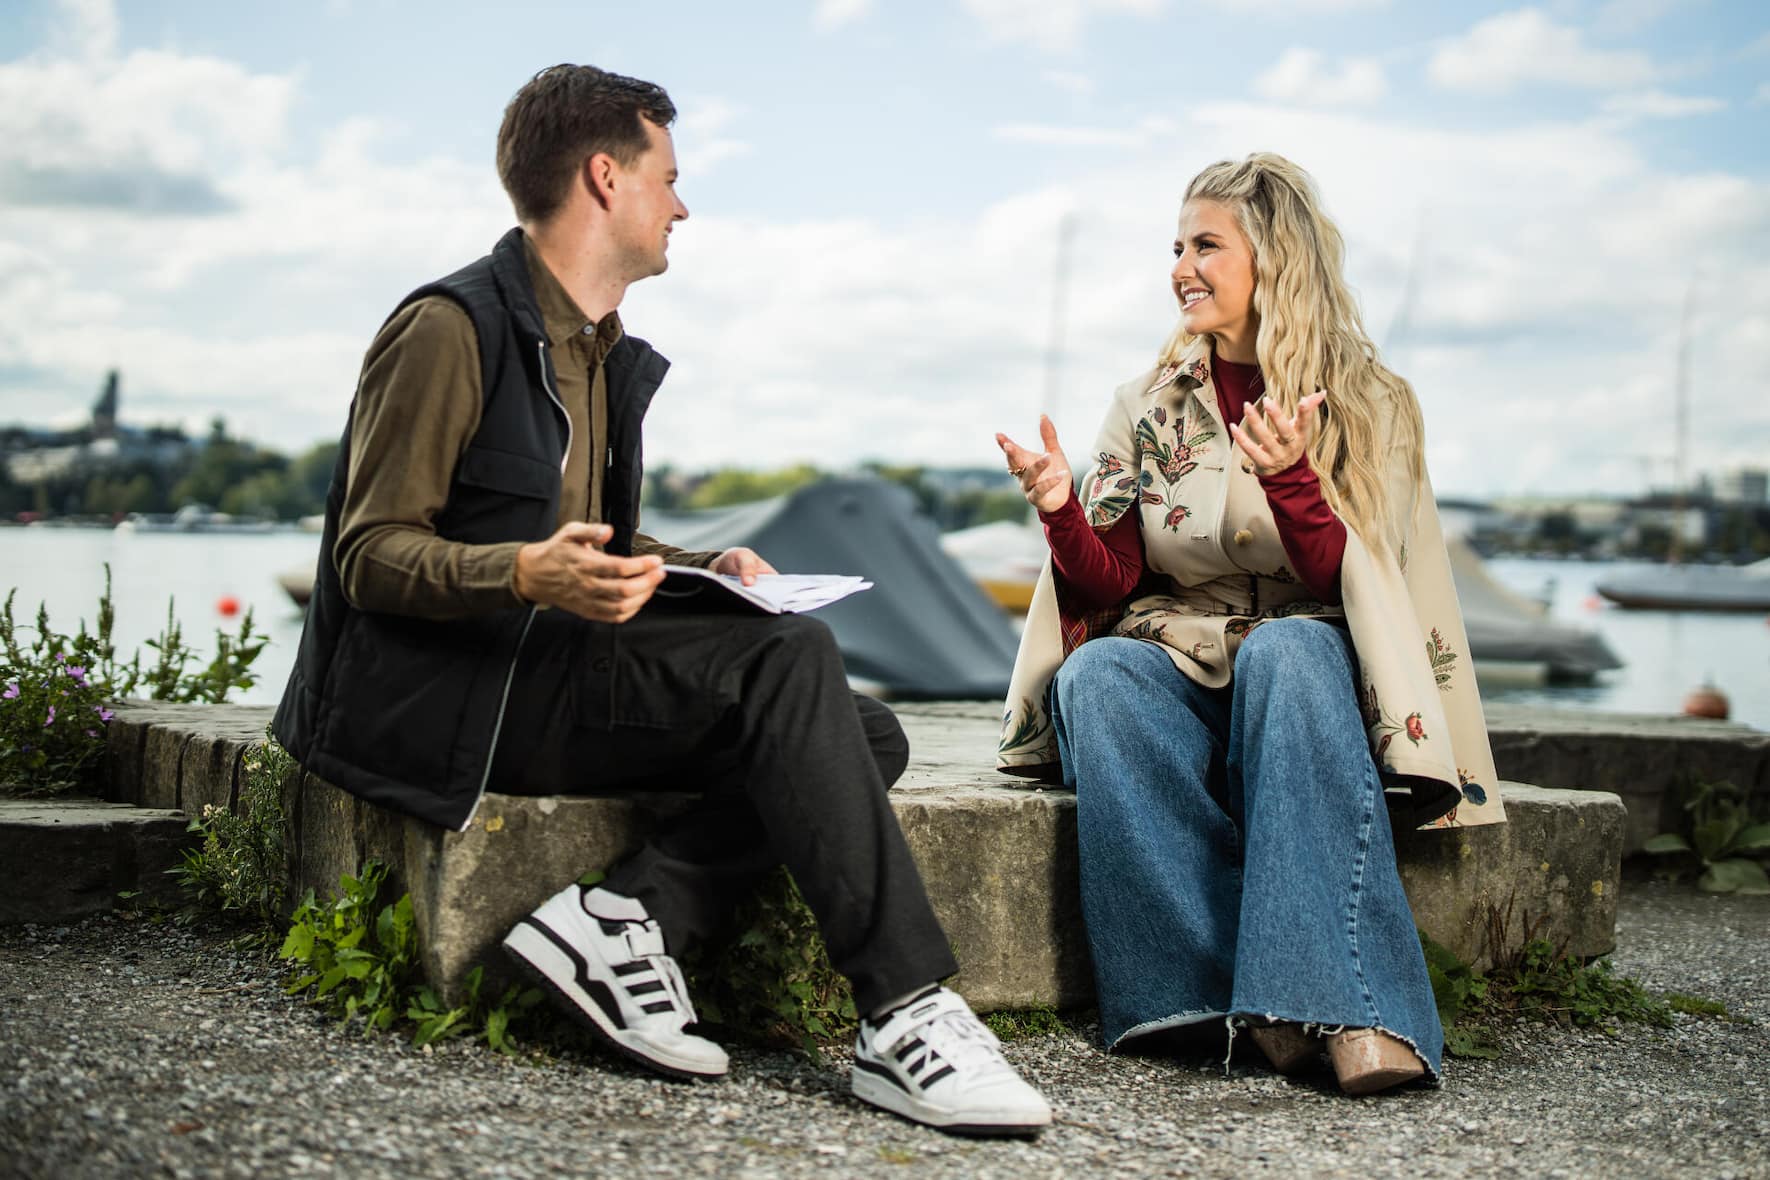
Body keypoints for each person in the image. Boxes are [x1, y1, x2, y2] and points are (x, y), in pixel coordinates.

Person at [273, 63, 1049, 1135]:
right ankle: (905, 1010)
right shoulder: (450, 329)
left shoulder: (597, 350)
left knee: (862, 734)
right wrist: (525, 573)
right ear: (605, 177)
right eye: (669, 176)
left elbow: (575, 528)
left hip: (539, 662)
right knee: (794, 665)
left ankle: (626, 917)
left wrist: (703, 564)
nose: (683, 203)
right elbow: (368, 556)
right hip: (459, 695)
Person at [993, 153, 1504, 1095]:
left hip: (1321, 672)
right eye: (1176, 246)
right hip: (1184, 655)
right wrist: (1065, 508)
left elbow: (1361, 575)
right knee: (1098, 678)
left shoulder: (1371, 401)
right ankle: (1197, 999)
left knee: (1291, 648)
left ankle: (1351, 1008)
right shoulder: (1145, 404)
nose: (1181, 266)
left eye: (1205, 245)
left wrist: (1293, 483)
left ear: (1274, 256)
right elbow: (1113, 576)